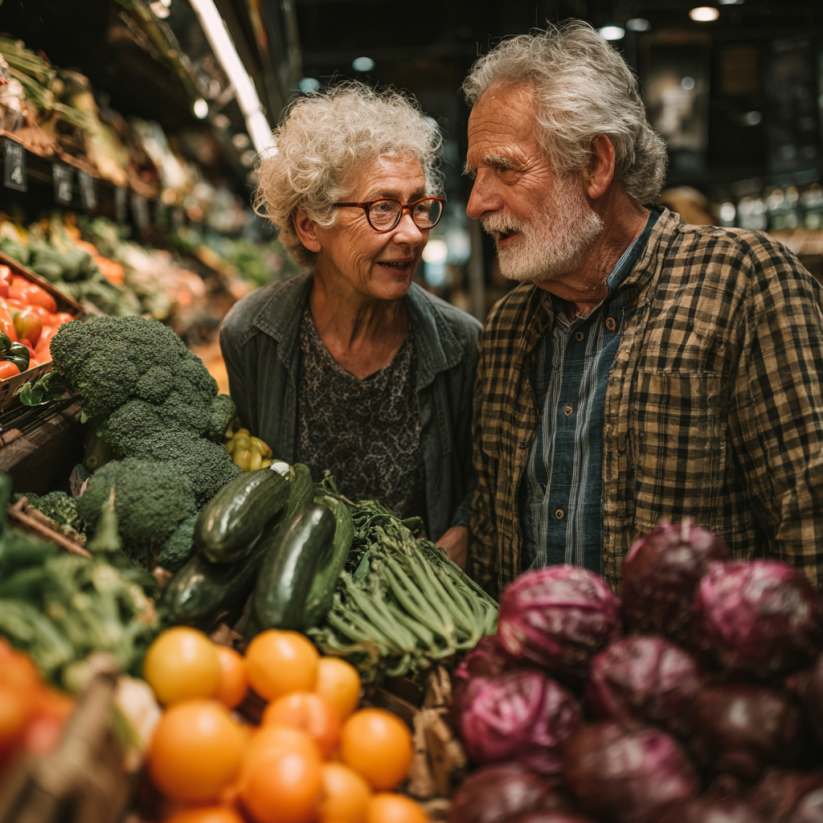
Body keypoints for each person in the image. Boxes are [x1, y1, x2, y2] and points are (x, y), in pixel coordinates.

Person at [463, 21, 823, 596]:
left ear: (596, 165)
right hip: (537, 678)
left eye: (503, 169)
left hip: (688, 679)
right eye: (475, 175)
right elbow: (491, 546)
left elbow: (811, 520)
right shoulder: (508, 327)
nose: (478, 202)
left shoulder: (741, 281)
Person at [220, 82, 480, 567]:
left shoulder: (463, 344)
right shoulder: (251, 335)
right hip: (292, 607)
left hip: (421, 607)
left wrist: (464, 526)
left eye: (418, 207)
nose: (411, 234)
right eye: (381, 208)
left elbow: (480, 482)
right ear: (308, 227)